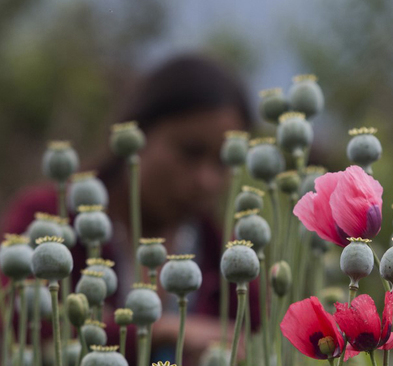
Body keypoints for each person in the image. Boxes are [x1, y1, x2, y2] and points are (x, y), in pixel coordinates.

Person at [0, 54, 259, 365]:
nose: (206, 180)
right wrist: (156, 331)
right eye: (190, 152)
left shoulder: (225, 253)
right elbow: (14, 318)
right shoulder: (48, 216)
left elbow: (259, 334)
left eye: (224, 162)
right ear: (139, 136)